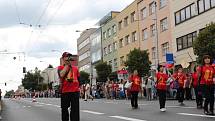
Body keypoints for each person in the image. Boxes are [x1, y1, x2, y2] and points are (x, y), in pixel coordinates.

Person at [58, 52, 80, 121]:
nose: (68, 58)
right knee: (64, 110)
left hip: (75, 91)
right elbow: (61, 75)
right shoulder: (60, 67)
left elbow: (79, 79)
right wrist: (67, 65)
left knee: (75, 110)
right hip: (65, 91)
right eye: (67, 57)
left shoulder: (75, 68)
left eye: (69, 57)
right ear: (63, 58)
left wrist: (80, 88)